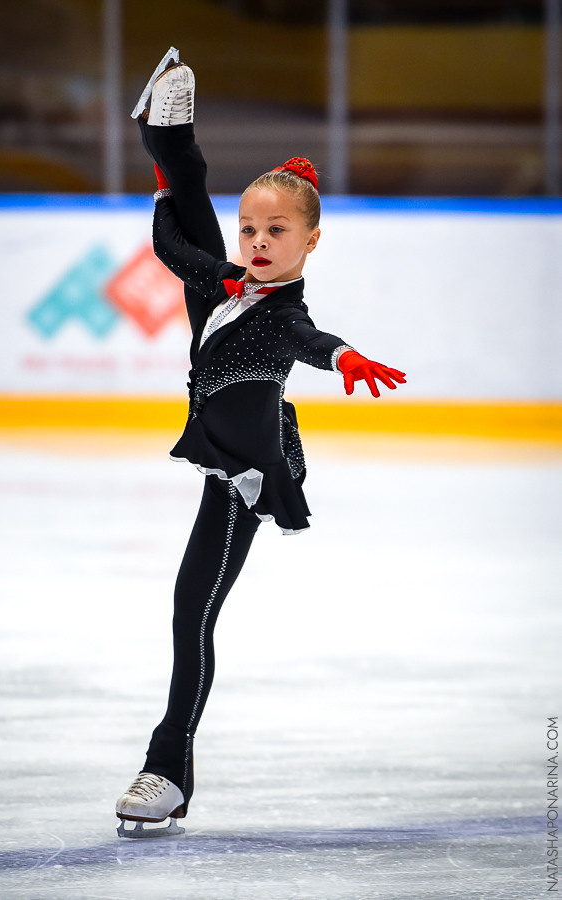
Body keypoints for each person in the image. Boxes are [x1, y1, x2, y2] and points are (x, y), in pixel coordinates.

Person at [116, 48, 406, 838]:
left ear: (310, 242)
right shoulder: (225, 283)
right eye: (249, 228)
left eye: (276, 229)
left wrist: (344, 357)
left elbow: (310, 338)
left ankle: (166, 770)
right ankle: (169, 134)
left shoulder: (281, 310)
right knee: (187, 613)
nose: (258, 239)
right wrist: (165, 196)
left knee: (191, 612)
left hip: (248, 464)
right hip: (219, 444)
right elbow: (178, 253)